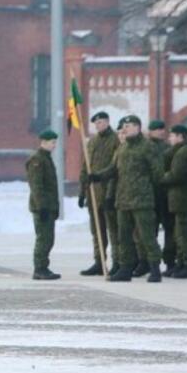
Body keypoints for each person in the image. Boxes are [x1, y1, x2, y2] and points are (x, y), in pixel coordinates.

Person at [89, 115, 164, 282]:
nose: (124, 129)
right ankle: (125, 269)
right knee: (123, 237)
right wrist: (96, 177)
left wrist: (148, 190)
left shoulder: (148, 147)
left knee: (147, 236)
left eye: (128, 126)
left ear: (138, 127)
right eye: (123, 126)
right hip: (123, 200)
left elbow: (157, 173)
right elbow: (112, 169)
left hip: (142, 200)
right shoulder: (122, 149)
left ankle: (154, 268)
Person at [78, 112, 119, 276]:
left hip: (108, 192)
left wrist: (110, 193)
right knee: (97, 231)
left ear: (108, 122)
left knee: (113, 230)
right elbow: (85, 167)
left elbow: (115, 169)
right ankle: (99, 261)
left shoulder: (115, 140)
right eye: (96, 123)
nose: (98, 125)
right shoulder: (92, 141)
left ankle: (118, 262)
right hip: (93, 194)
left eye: (101, 122)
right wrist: (82, 192)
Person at [160, 124, 187, 278]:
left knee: (184, 234)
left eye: (172, 136)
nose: (170, 138)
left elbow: (176, 175)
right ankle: (181, 263)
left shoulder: (184, 153)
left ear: (180, 137)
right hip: (179, 200)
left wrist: (160, 178)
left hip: (184, 199)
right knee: (179, 234)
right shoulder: (180, 151)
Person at [27, 130, 61, 280]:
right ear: (44, 142)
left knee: (48, 238)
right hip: (42, 207)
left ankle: (43, 267)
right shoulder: (37, 160)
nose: (55, 145)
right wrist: (42, 207)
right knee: (44, 238)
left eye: (55, 142)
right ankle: (40, 269)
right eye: (52, 142)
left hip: (49, 206)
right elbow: (36, 186)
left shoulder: (46, 158)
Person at [147, 120, 174, 276]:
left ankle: (170, 261)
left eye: (162, 130)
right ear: (150, 131)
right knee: (150, 231)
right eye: (157, 130)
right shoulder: (146, 147)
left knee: (169, 230)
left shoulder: (167, 148)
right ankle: (149, 262)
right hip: (150, 194)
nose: (160, 132)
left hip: (165, 195)